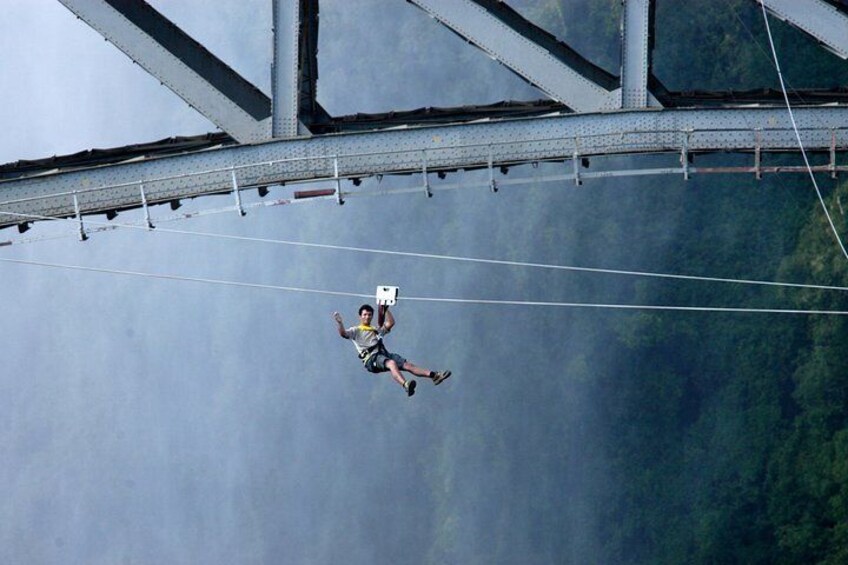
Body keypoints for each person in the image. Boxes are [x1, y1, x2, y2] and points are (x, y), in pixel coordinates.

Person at [333, 304, 451, 397]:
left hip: (384, 354)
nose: (367, 317)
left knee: (407, 365)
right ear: (360, 316)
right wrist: (340, 323)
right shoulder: (356, 330)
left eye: (369, 315)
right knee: (391, 363)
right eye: (364, 315)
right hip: (371, 359)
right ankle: (405, 385)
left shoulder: (375, 330)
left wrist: (385, 309)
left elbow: (390, 323)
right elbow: (343, 334)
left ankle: (434, 376)